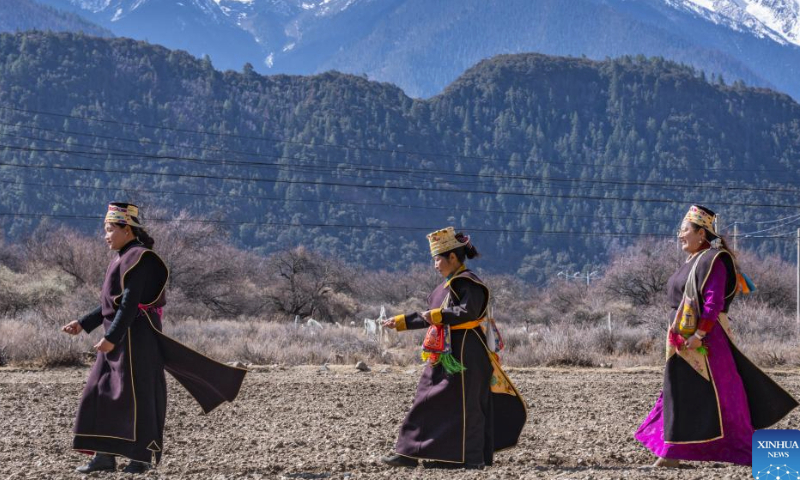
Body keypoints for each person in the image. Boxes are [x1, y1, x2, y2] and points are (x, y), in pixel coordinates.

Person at [61, 202, 248, 474]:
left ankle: (141, 458)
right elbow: (111, 305)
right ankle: (104, 456)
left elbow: (128, 305)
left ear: (127, 230)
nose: (105, 235)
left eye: (110, 229)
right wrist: (83, 323)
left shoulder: (140, 258)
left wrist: (111, 337)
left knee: (139, 397)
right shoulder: (122, 257)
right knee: (100, 393)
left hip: (137, 341)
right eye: (105, 229)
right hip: (119, 338)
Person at [635, 205, 798, 467]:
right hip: (682, 341)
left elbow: (713, 303)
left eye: (684, 230)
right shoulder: (692, 262)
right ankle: (671, 455)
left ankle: (782, 461)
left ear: (701, 234)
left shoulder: (714, 260)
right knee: (678, 394)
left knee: (726, 401)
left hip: (707, 342)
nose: (680, 235)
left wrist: (699, 334)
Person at [380, 227, 527, 470]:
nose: (435, 264)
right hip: (444, 352)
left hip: (467, 351)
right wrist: (401, 322)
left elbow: (466, 312)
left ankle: (471, 459)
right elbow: (431, 317)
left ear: (452, 257)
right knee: (427, 398)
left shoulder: (469, 283)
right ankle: (410, 452)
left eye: (438, 259)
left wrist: (436, 316)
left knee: (468, 405)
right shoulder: (443, 288)